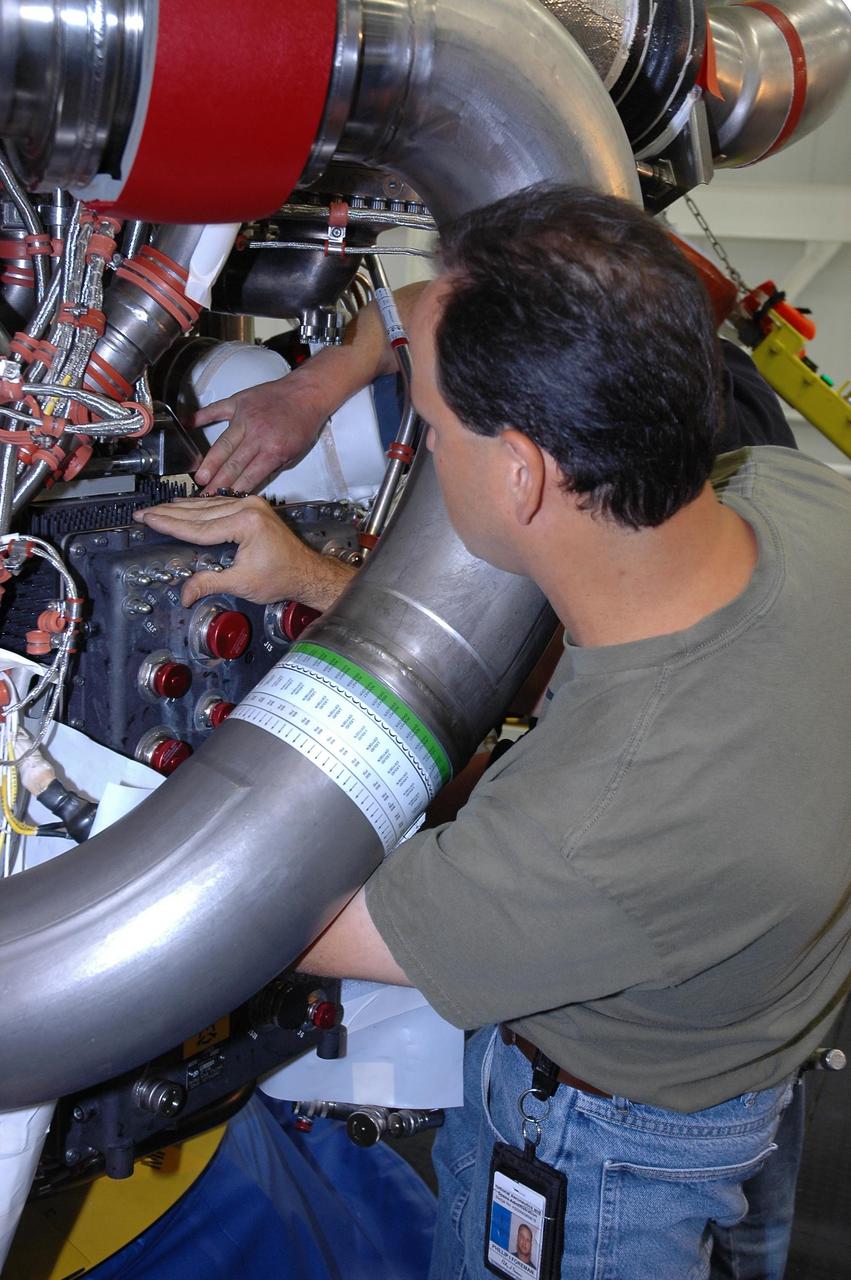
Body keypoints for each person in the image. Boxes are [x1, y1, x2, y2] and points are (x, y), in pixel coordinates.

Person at [135, 184, 850, 1279]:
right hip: (752, 1037)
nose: (421, 440)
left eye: (426, 426)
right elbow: (621, 656)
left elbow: (259, 918)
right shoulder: (797, 499)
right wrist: (323, 551)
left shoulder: (591, 830)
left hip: (602, 1161)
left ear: (520, 471)